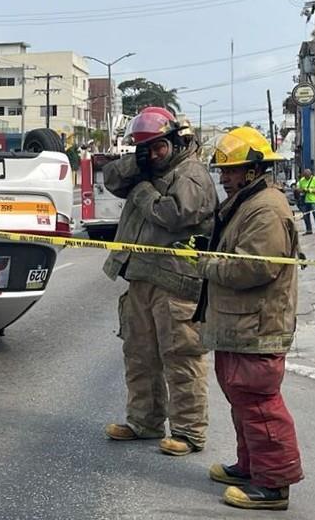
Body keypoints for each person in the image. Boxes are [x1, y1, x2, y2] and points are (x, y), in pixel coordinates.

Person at [194, 126, 303, 511]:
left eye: (231, 171)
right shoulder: (247, 202)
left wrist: (206, 264)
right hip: (240, 323)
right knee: (242, 399)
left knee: (258, 402)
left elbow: (254, 268)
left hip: (257, 325)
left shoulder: (266, 209)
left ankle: (273, 485)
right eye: (222, 172)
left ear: (254, 170)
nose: (224, 179)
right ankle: (251, 467)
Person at [101, 107, 218, 458]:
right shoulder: (149, 168)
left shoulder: (192, 174)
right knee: (139, 355)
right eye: (146, 150)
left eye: (157, 148)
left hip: (176, 283)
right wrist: (135, 164)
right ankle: (144, 421)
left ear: (175, 142)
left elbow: (175, 214)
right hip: (141, 277)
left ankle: (188, 431)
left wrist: (142, 192)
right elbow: (111, 179)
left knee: (180, 357)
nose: (153, 155)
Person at [295, 167, 315, 236]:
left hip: (313, 200)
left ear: (310, 175)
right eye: (305, 176)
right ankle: (309, 230)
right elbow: (298, 189)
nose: (306, 178)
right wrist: (302, 190)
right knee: (306, 216)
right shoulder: (302, 180)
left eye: (307, 176)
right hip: (305, 201)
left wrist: (311, 190)